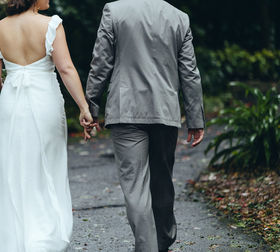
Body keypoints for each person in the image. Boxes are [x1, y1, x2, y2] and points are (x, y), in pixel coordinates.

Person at [0, 0, 93, 251]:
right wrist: (83, 107)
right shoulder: (51, 24)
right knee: (46, 165)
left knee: (10, 165)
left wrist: (12, 81)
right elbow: (65, 68)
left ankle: (9, 238)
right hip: (45, 101)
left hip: (12, 102)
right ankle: (42, 237)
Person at [85, 0, 205, 251]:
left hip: (126, 111)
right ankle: (161, 241)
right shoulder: (178, 17)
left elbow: (101, 63)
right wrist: (195, 118)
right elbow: (190, 72)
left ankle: (148, 246)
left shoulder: (114, 11)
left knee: (135, 186)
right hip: (164, 111)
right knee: (162, 179)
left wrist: (91, 105)